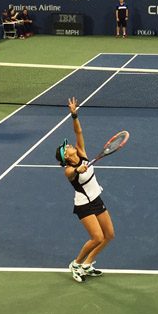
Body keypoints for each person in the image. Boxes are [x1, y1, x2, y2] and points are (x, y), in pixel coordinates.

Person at [57, 97, 114, 282]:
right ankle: (76, 264)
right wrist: (78, 170)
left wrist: (74, 115)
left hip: (96, 199)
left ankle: (87, 264)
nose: (69, 146)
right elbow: (72, 173)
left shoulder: (81, 152)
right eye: (66, 148)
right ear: (66, 157)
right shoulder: (68, 170)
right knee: (97, 237)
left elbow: (78, 132)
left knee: (109, 235)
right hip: (84, 205)